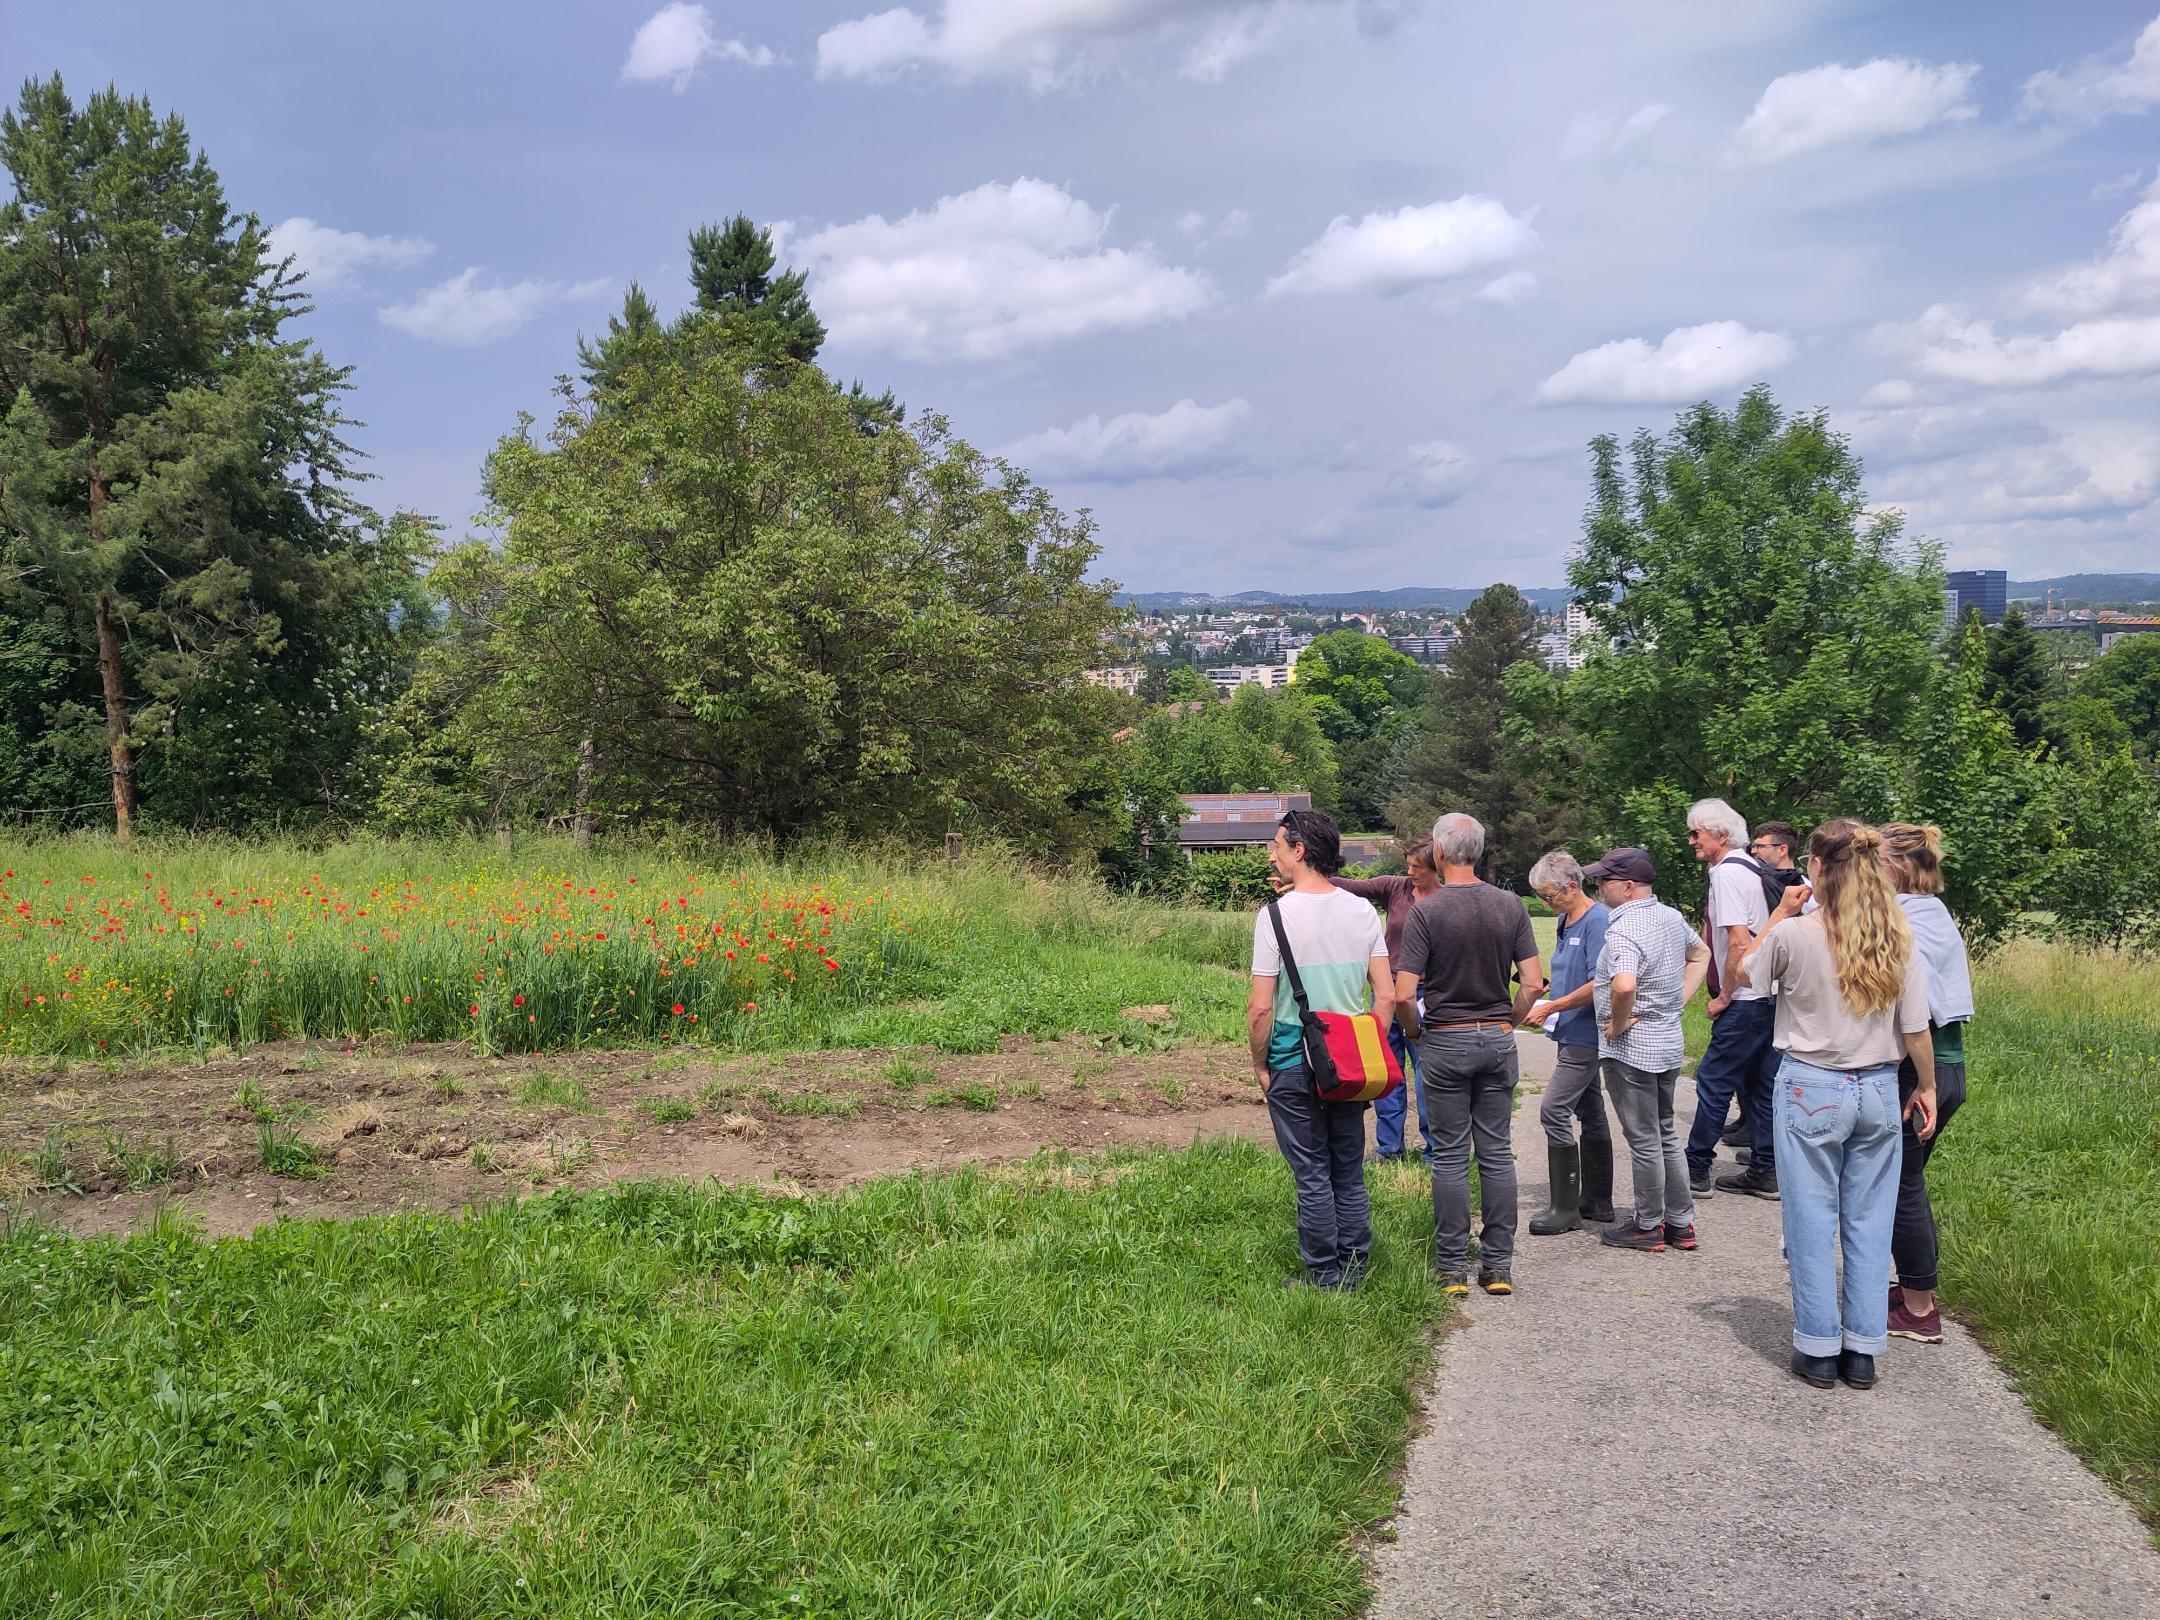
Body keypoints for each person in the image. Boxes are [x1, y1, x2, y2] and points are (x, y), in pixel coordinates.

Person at [1736, 820, 1938, 1391]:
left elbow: (1743, 975)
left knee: (1810, 1217)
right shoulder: (1896, 936)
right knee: (1869, 1219)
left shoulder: (1795, 935)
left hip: (1810, 1085)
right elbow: (1915, 1026)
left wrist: (1781, 911)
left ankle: (1819, 1345)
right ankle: (1863, 1349)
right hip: (1877, 1085)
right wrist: (1925, 1086)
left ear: (1817, 869)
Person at [1395, 812, 1544, 1298]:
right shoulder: (1509, 905)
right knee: (1497, 1153)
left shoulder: (1427, 911)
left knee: (1451, 1157)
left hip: (1446, 1038)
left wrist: (1416, 1032)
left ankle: (1452, 1268)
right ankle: (1498, 1265)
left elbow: (1402, 994)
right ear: (1479, 852)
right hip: (1496, 1040)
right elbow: (1534, 982)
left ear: (1439, 852)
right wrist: (1511, 1021)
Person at [1249, 807, 1395, 1290]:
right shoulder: (1362, 912)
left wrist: (1259, 1062)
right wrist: (1369, 1044)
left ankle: (1324, 1275)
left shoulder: (1274, 916)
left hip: (1294, 1057)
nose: (1272, 854)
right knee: (1347, 1168)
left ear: (1299, 850)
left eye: (1276, 845)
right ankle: (1355, 1267)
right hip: (1349, 1063)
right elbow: (1387, 994)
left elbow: (1260, 1009)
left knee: (1311, 1171)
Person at [1580, 848, 1713, 1253]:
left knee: (1644, 1139)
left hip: (1632, 1049)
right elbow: (1702, 953)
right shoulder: (1670, 917)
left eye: (1604, 880)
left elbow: (1623, 985)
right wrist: (1675, 1001)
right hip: (1667, 1041)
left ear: (1628, 886)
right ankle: (1680, 1221)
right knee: (1666, 1132)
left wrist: (1618, 1024)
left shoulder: (1624, 928)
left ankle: (1648, 1224)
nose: (1599, 886)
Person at [1879, 823, 1973, 1345]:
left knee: (1901, 1188)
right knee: (1903, 1183)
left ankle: (1919, 1309)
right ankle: (1911, 1289)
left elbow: (1913, 1012)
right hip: (1948, 1067)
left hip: (1921, 1073)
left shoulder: (1903, 919)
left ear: (1892, 869)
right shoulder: (1933, 912)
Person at [1682, 798, 1782, 1201]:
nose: (1691, 841)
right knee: (1762, 1086)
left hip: (1745, 997)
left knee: (1714, 1083)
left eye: (1696, 833)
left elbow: (1739, 942)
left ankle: (1695, 1170)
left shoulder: (1725, 874)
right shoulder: (1756, 868)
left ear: (1721, 835)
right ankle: (1765, 1171)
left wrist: (1724, 995)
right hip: (1773, 995)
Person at [1522, 851, 1616, 1234]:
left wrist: (1553, 1006)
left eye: (1549, 896)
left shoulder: (1598, 921)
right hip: (1568, 1031)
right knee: (1590, 1111)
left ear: (1572, 886)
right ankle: (1597, 1200)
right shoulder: (1565, 920)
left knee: (1554, 1110)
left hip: (1586, 1034)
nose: (1546, 904)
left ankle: (1565, 1209)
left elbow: (1600, 983)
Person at [1330, 839, 1440, 1164]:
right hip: (1386, 993)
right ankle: (1389, 1148)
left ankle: (1435, 1149)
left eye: (1416, 867)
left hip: (1425, 996)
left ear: (1436, 867)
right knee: (1388, 1071)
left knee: (1426, 1074)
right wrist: (1308, 879)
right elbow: (1350, 886)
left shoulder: (1447, 899)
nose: (1409, 872)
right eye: (1408, 864)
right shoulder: (1396, 888)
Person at [1725, 821, 1802, 1156]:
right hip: (1760, 978)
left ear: (1782, 849)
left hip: (1779, 984)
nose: (1754, 852)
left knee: (1768, 1071)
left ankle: (1766, 1152)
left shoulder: (1801, 888)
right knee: (1752, 1068)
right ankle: (1749, 1125)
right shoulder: (1759, 879)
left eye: (1761, 847)